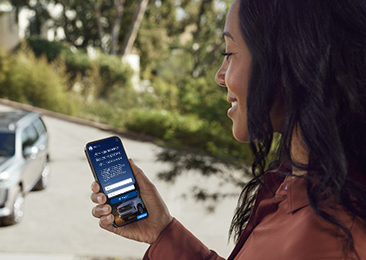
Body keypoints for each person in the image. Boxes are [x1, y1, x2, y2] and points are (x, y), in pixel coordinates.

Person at [90, 0, 366, 259]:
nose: (219, 76)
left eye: (229, 53)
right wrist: (162, 233)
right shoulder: (292, 188)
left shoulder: (331, 237)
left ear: (288, 63)